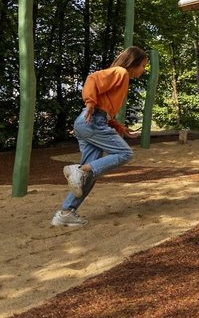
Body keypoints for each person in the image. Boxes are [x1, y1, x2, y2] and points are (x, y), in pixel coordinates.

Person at [51, 46, 149, 227]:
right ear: (133, 63)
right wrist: (90, 102)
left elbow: (105, 110)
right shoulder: (120, 72)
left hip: (89, 122)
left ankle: (66, 213)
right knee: (125, 153)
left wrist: (119, 127)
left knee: (89, 176)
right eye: (143, 65)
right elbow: (92, 79)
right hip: (92, 121)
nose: (143, 70)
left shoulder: (120, 77)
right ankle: (80, 170)